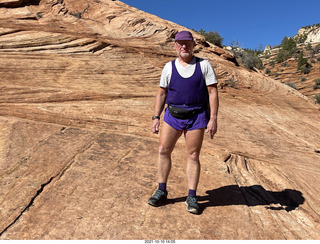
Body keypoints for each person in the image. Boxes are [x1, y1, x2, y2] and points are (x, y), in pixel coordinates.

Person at [147, 30, 219, 214]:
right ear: (175, 46)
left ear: (194, 45)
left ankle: (192, 195)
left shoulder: (204, 65)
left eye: (187, 43)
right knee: (163, 150)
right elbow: (162, 93)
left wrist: (213, 119)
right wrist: (156, 117)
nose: (184, 46)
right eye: (180, 43)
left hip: (196, 116)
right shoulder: (168, 67)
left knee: (193, 155)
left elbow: (212, 92)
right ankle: (161, 190)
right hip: (172, 116)